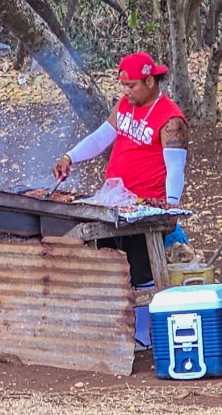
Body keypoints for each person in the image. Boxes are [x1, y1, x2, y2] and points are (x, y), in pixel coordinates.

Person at [52, 51, 189, 286]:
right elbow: (100, 138)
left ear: (149, 81)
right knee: (109, 270)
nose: (126, 91)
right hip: (114, 203)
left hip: (144, 207)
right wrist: (69, 157)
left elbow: (175, 168)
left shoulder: (171, 119)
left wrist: (172, 207)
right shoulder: (126, 105)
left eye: (131, 85)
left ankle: (144, 321)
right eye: (124, 85)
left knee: (141, 274)